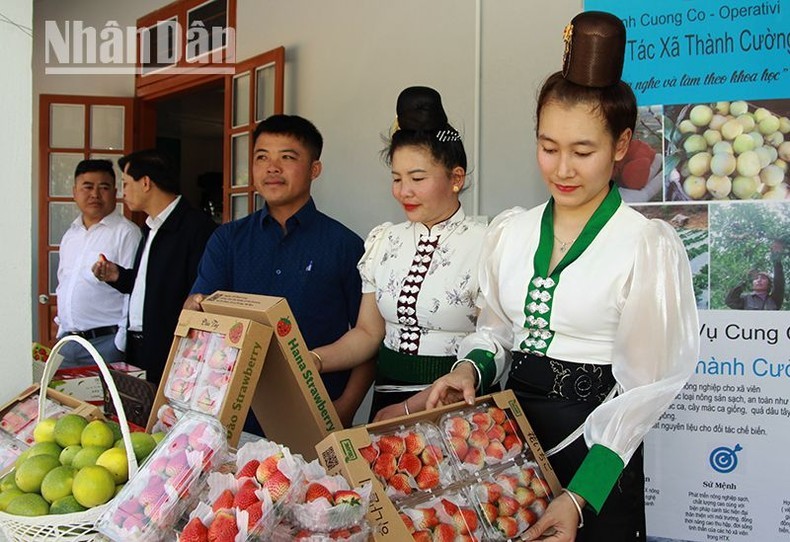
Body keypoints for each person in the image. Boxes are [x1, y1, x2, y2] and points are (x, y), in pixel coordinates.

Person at [426, 12, 699, 542]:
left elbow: (644, 388)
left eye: (583, 151)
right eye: (548, 147)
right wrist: (471, 370)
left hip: (597, 455)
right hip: (508, 446)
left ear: (621, 146)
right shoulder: (512, 232)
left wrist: (581, 495)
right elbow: (498, 330)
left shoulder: (645, 245)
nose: (562, 170)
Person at [310, 86, 488, 422]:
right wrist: (314, 361)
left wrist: (409, 409)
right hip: (386, 401)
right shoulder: (385, 241)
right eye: (396, 178)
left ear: (456, 178)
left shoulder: (487, 244)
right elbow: (367, 334)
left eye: (417, 178)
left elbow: (492, 342)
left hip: (452, 404)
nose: (403, 191)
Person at [183, 115, 371, 427]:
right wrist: (194, 311)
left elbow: (368, 337)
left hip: (315, 411)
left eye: (287, 157)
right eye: (262, 157)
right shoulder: (226, 240)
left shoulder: (346, 246)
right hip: (235, 411)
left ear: (314, 169)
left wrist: (346, 407)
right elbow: (201, 315)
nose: (272, 167)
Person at [92, 149, 217, 385]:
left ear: (146, 182)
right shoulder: (150, 227)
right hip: (137, 345)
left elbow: (200, 294)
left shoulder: (196, 228)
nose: (124, 192)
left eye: (127, 184)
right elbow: (151, 286)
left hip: (174, 349)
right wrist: (117, 275)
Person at [55, 159, 141, 366]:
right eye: (87, 187)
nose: (95, 194)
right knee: (65, 399)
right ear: (75, 191)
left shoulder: (127, 233)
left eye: (104, 187)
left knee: (107, 399)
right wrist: (61, 330)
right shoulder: (70, 235)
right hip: (68, 342)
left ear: (115, 192)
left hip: (106, 343)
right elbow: (63, 283)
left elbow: (135, 291)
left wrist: (119, 343)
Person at [725, 241, 785, 310]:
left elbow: (779, 281)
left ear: (769, 284)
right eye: (756, 278)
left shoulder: (774, 299)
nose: (759, 280)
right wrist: (746, 281)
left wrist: (776, 256)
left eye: (763, 278)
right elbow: (730, 301)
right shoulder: (745, 299)